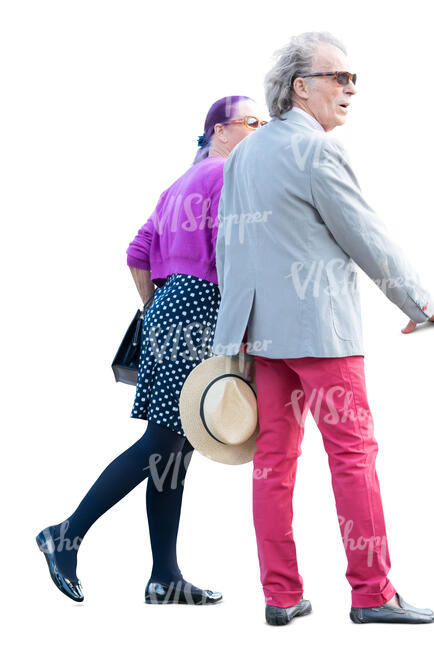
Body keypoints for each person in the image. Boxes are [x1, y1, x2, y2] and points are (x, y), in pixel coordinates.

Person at [212, 32, 434, 625]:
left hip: (259, 337)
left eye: (353, 80)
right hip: (320, 334)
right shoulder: (316, 150)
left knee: (272, 463)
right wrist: (419, 303)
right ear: (301, 86)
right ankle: (373, 595)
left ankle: (280, 594)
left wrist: (234, 333)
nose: (349, 89)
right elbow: (363, 233)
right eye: (337, 78)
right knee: (353, 458)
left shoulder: (245, 152)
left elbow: (228, 245)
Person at [36, 94, 266, 605]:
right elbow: (237, 254)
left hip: (168, 307)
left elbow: (137, 252)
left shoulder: (176, 185)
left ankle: (165, 576)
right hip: (201, 307)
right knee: (164, 443)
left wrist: (156, 308)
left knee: (174, 448)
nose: (262, 130)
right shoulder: (229, 175)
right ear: (219, 132)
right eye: (253, 122)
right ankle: (65, 534)